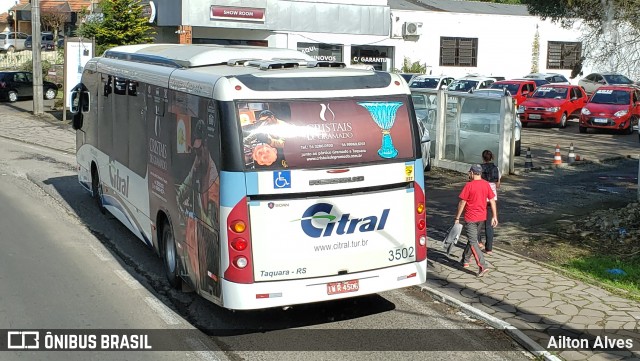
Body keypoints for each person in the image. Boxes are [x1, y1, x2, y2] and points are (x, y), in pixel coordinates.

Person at [454, 164, 498, 277]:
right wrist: (494, 216)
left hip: (471, 218)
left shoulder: (469, 186)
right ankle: (465, 260)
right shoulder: (486, 184)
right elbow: (492, 200)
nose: (469, 174)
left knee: (473, 241)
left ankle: (482, 265)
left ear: (472, 173)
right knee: (472, 239)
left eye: (470, 172)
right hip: (482, 217)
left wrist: (457, 218)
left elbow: (462, 202)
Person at [480, 149, 500, 255]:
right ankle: (489, 248)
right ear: (491, 157)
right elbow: (497, 184)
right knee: (489, 224)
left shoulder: (479, 169)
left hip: (481, 198)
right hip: (492, 198)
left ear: (482, 158)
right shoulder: (496, 169)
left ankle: (478, 242)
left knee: (477, 222)